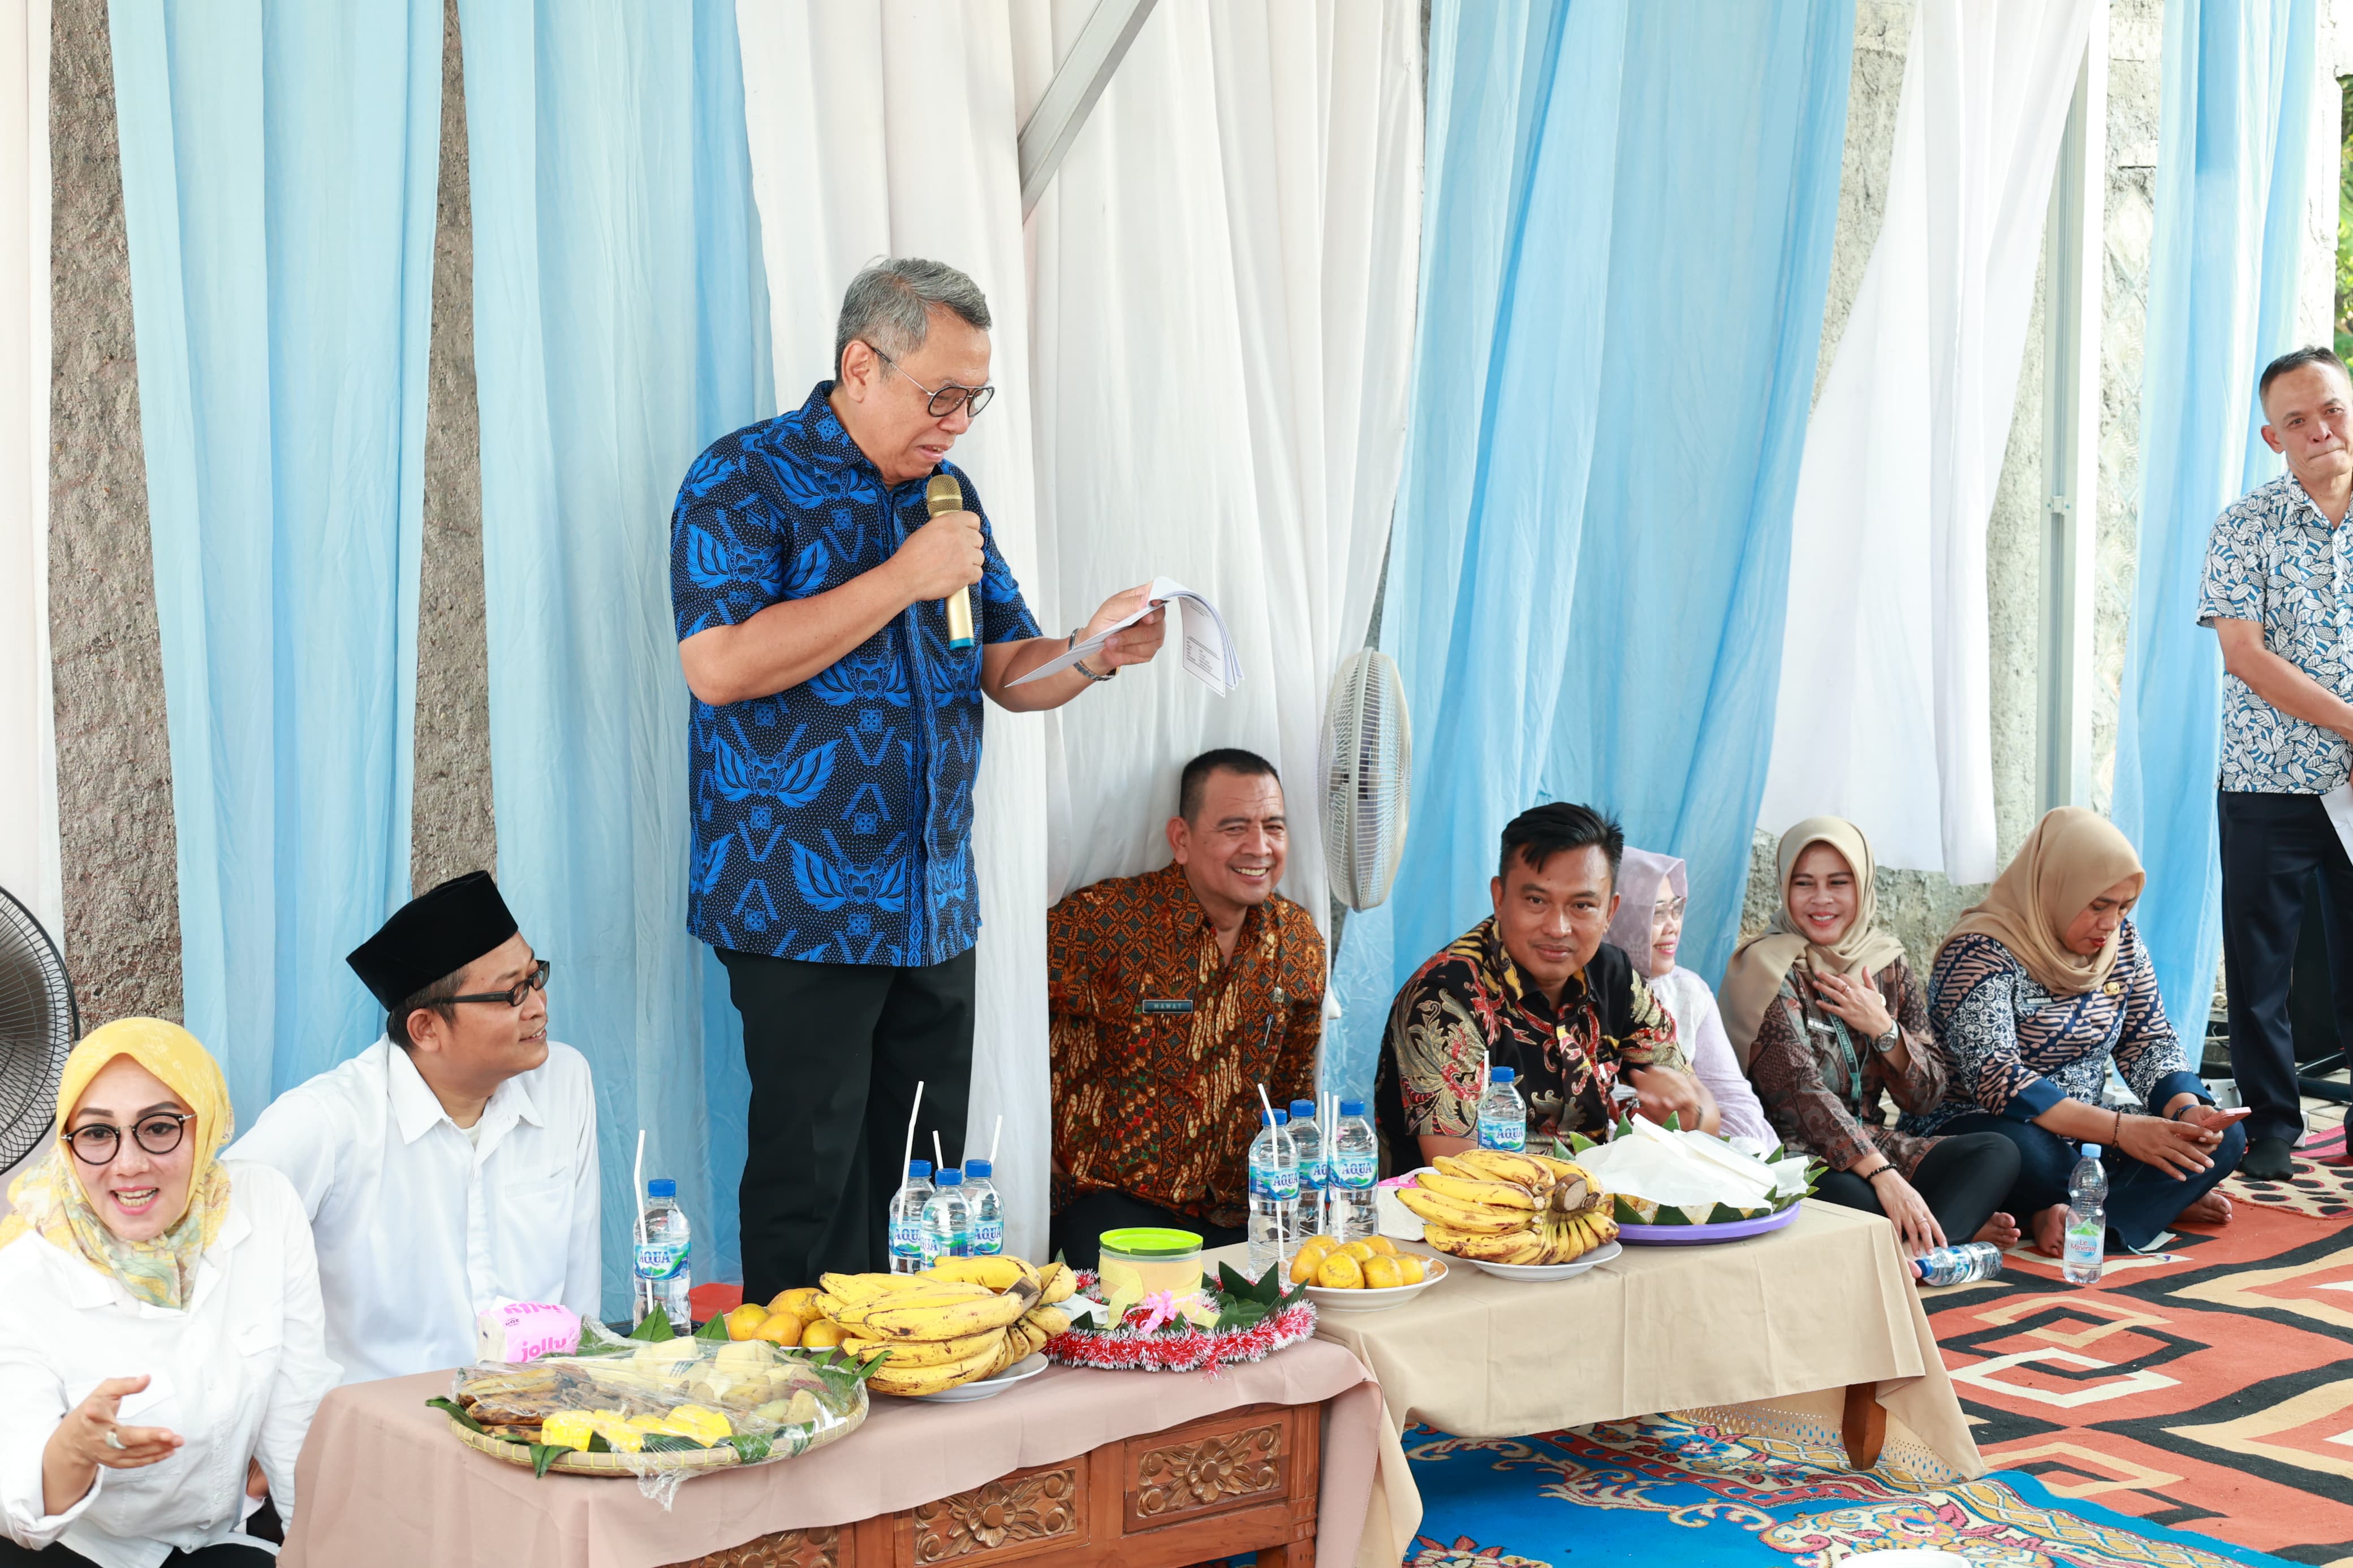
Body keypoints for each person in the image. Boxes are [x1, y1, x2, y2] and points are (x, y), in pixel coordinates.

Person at [669, 257, 1167, 1295]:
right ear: (861, 365)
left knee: (923, 1193)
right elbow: (718, 665)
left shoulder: (949, 496)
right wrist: (901, 577)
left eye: (973, 399)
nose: (957, 422)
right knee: (813, 1186)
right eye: (939, 394)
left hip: (932, 904)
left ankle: (916, 1410)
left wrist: (1091, 650)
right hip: (798, 901)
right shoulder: (742, 479)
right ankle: (806, 1421)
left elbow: (1003, 668)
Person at [228, 871, 599, 1384]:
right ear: (426, 1028)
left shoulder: (564, 1081)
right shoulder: (329, 1122)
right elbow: (211, 1245)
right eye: (512, 993)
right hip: (383, 1436)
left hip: (533, 1423)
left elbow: (580, 1289)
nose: (538, 1005)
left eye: (536, 977)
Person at [0, 1020, 336, 1565]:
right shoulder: (21, 1276)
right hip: (84, 1548)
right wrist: (74, 1449)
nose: (128, 1163)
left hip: (222, 1535)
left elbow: (296, 1403)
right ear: (68, 1142)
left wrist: (312, 1552)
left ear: (204, 1126)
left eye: (158, 1127)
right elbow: (22, 1510)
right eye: (96, 1133)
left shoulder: (265, 1204)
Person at [1902, 807, 2247, 1256]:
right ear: (2055, 887)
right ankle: (2140, 1203)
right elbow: (1999, 1081)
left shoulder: (2122, 945)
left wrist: (2185, 1113)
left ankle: (2065, 1216)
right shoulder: (1979, 951)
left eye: (2123, 907)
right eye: (2098, 905)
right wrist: (2123, 1131)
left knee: (2222, 1140)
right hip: (1984, 1126)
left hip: (2090, 1131)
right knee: (2022, 1152)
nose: (2110, 923)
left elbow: (2148, 1041)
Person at [1046, 749, 1324, 1269]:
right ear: (1181, 839)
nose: (1259, 847)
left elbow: (1292, 1093)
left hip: (1246, 1218)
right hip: (1115, 1214)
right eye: (1234, 828)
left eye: (1274, 827)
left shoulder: (1299, 941)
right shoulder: (1104, 923)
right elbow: (1002, 1005)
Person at [1725, 818, 2020, 1256]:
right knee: (1860, 1202)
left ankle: (1921, 1247)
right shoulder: (1766, 969)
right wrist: (1884, 1177)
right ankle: (1938, 1236)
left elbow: (1927, 1096)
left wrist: (1884, 1030)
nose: (1822, 899)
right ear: (1785, 887)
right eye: (1805, 883)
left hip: (1878, 1144)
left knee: (1997, 1152)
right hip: (1794, 1158)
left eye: (1838, 882)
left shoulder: (1886, 962)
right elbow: (1799, 1093)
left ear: (1862, 886)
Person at [2199, 345, 2353, 1180]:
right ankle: (2272, 1130)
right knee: (2260, 964)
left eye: (2330, 408)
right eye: (2297, 420)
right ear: (2272, 437)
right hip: (2267, 777)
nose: (2319, 429)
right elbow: (2245, 657)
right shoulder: (2243, 526)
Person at [1376, 803, 1709, 1168]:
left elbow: (1703, 1115)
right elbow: (1459, 1172)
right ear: (1500, 898)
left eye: (1582, 905)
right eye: (1536, 901)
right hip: (1470, 1215)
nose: (1558, 928)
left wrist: (1687, 1115)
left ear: (1610, 912)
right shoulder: (1446, 997)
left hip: (1596, 1206)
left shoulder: (1616, 978)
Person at [1600, 847, 1774, 1146]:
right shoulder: (1581, 992)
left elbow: (1736, 1102)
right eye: (1656, 913)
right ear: (1615, 914)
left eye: (1676, 908)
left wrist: (1700, 1130)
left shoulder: (1687, 991)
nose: (1673, 926)